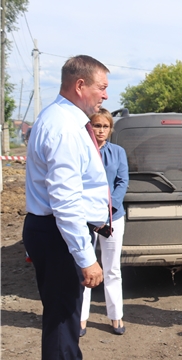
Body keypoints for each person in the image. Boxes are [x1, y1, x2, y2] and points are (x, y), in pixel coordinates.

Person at [23, 55, 110, 359]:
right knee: (62, 322)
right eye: (102, 87)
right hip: (58, 233)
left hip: (53, 231)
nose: (105, 95)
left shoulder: (63, 119)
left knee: (64, 320)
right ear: (80, 85)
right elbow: (65, 199)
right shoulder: (65, 128)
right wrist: (86, 258)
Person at [80, 108, 129, 337]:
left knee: (112, 268)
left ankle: (116, 315)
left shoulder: (118, 152)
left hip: (112, 218)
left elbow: (122, 181)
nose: (101, 130)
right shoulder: (81, 150)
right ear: (89, 126)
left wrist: (108, 209)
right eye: (96, 125)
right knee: (85, 267)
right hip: (85, 219)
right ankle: (80, 318)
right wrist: (90, 212)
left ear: (111, 129)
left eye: (105, 126)